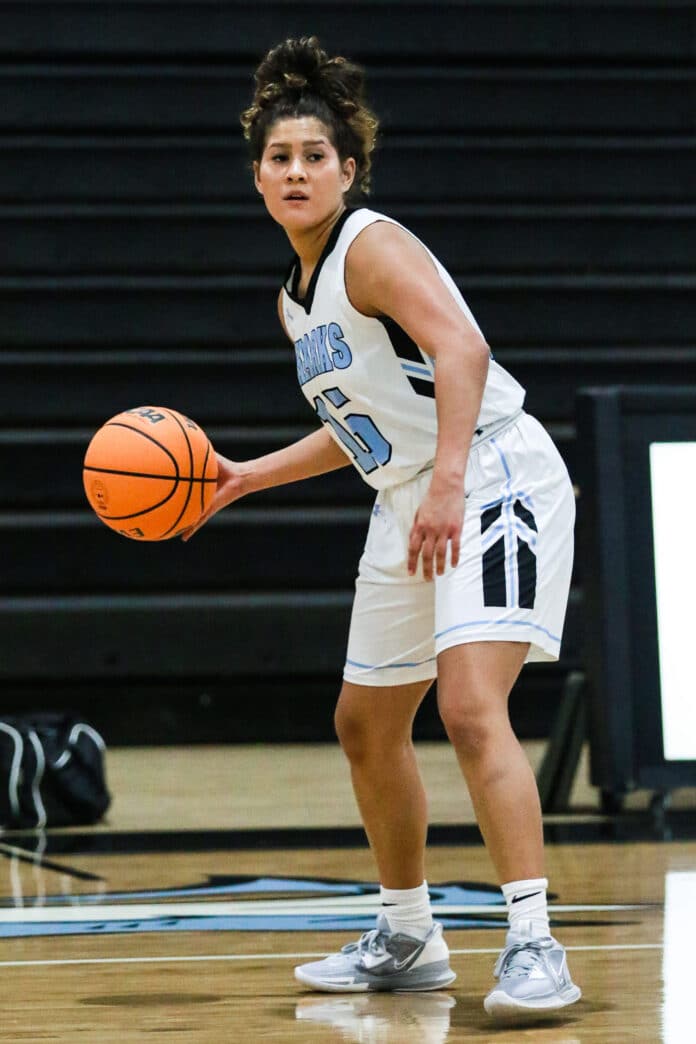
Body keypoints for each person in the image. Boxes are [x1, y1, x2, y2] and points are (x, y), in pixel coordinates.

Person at [184, 36, 581, 1019]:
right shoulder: (293, 301)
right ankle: (408, 935)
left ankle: (535, 945)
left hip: (490, 470)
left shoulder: (371, 243)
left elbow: (463, 349)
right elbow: (354, 429)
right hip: (411, 490)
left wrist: (450, 481)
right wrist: (241, 479)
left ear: (347, 169)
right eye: (279, 158)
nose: (296, 172)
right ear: (258, 178)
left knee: (469, 707)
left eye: (315, 155)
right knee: (366, 724)